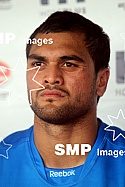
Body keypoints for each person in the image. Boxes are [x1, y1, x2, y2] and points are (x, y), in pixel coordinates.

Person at [0, 11, 125, 187]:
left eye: (69, 64)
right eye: (38, 64)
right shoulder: (3, 158)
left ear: (101, 81)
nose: (50, 78)